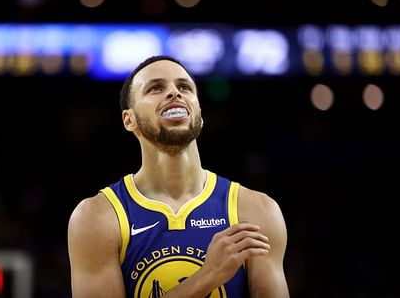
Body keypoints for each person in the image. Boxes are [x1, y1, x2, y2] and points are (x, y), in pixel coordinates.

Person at [67, 55, 290, 297]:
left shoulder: (256, 210)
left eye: (184, 87)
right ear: (129, 120)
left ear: (199, 114)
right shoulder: (97, 217)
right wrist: (207, 275)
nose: (174, 93)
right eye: (156, 88)